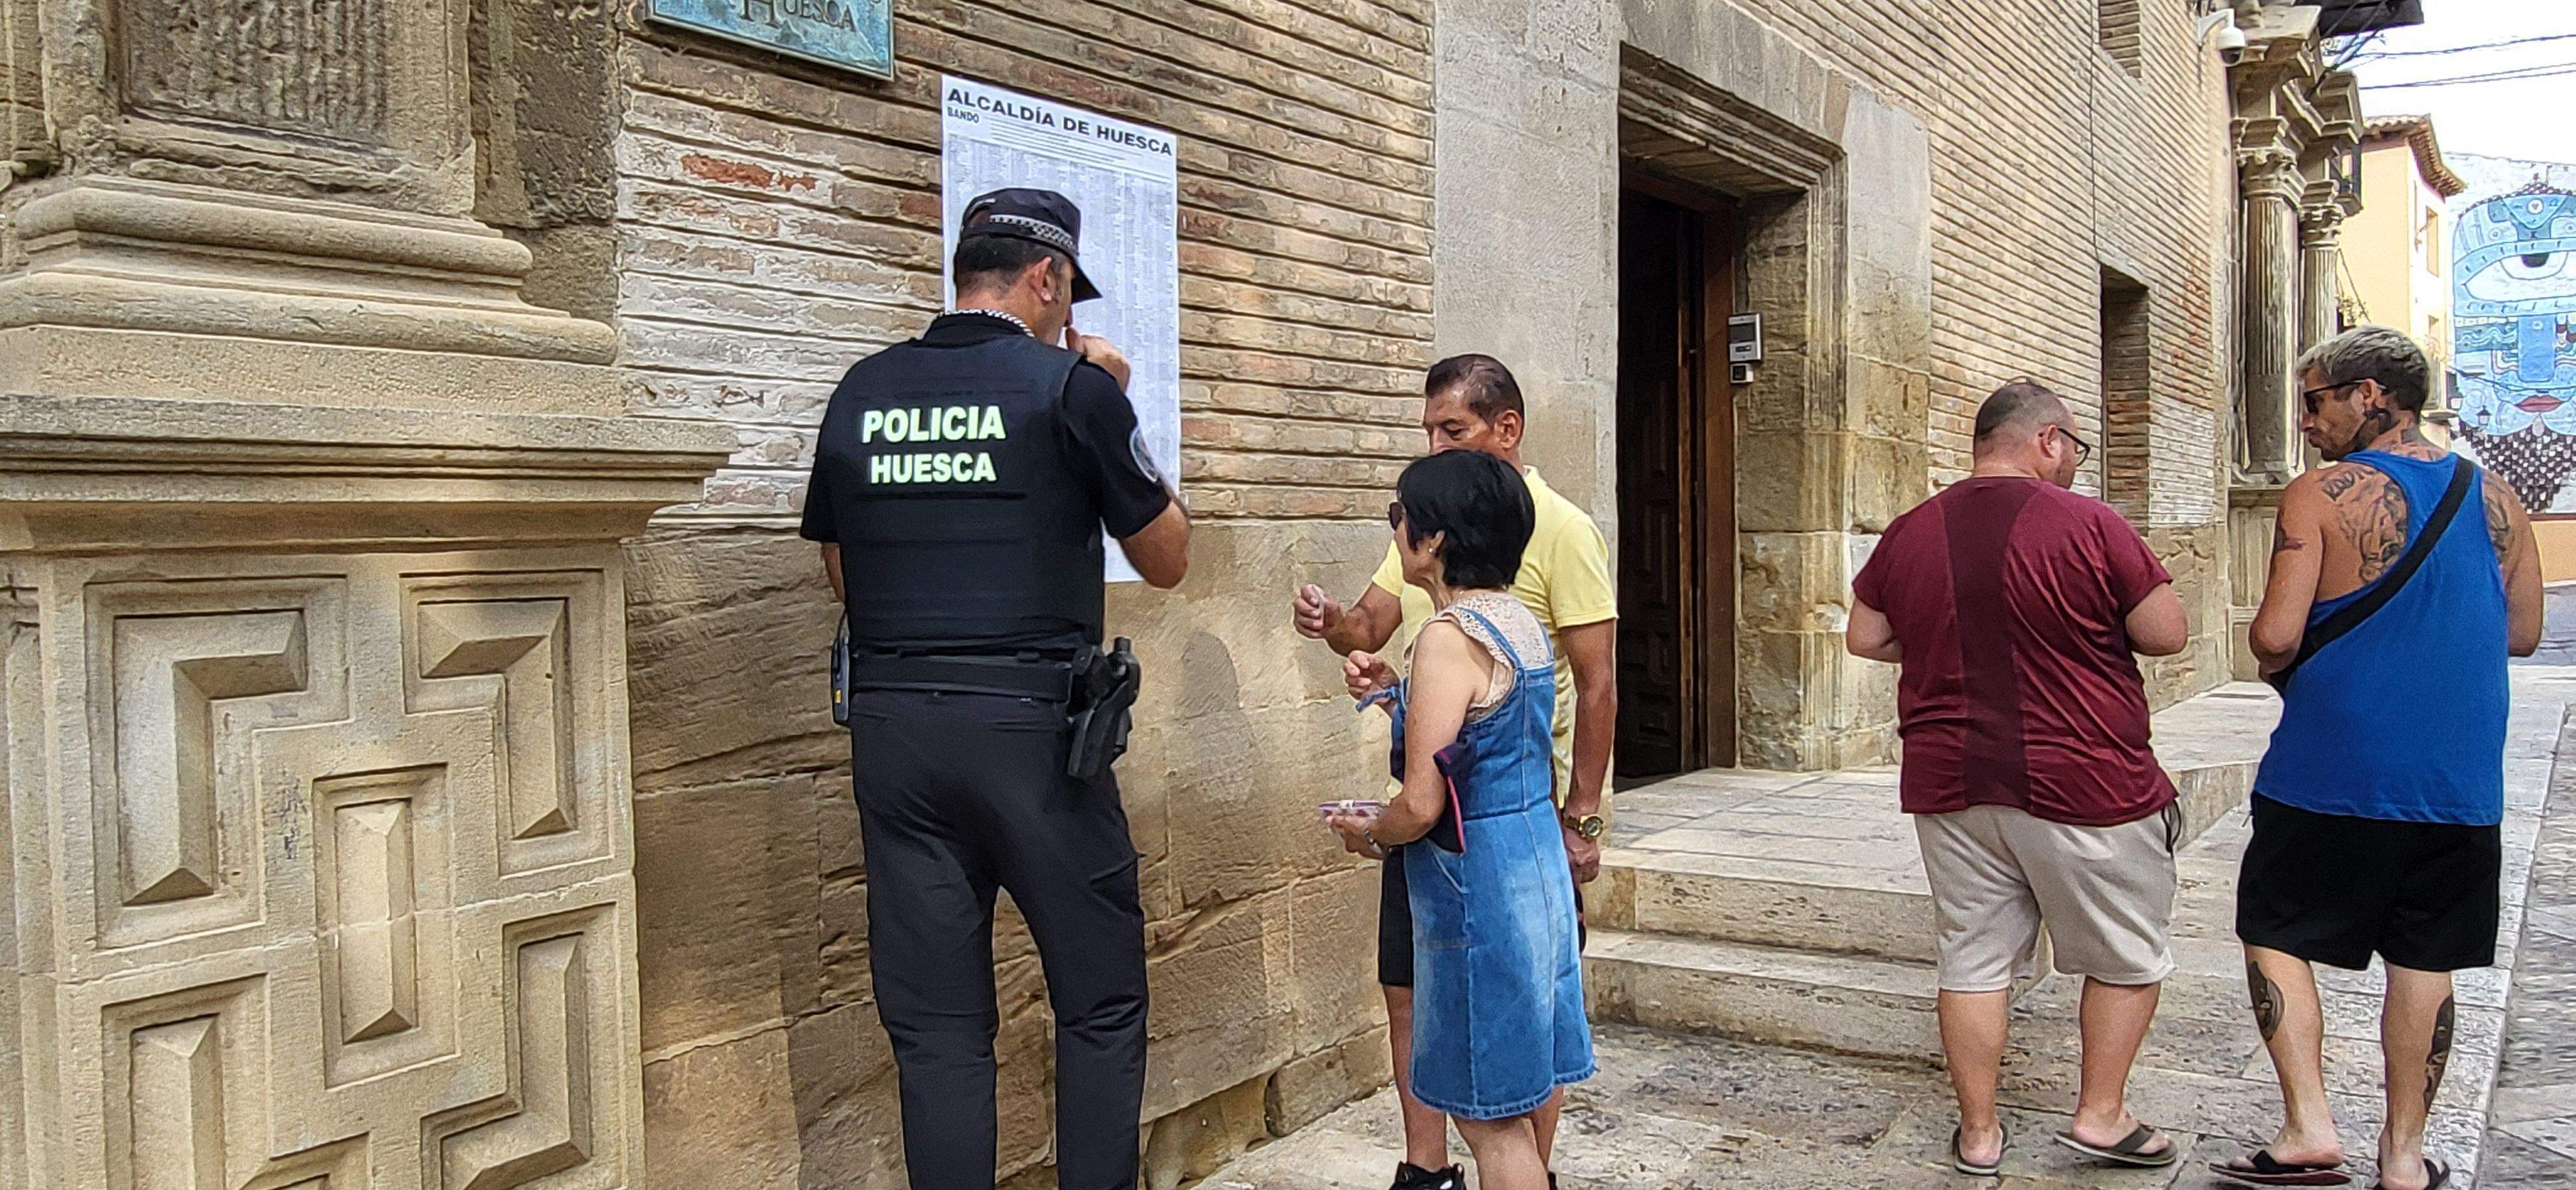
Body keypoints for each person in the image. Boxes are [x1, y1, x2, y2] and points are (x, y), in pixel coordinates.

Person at [800, 187, 1191, 1190]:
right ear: (1046, 279)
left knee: (937, 1034)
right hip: (1034, 743)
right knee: (1100, 1007)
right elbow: (1167, 557)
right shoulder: (1073, 389)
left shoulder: (861, 389)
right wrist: (1114, 397)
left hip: (894, 735)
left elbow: (846, 573)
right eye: (1067, 297)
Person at [2219, 326, 2541, 1190]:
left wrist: (2277, 637)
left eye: (2315, 400)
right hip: (2456, 783)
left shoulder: (2320, 494)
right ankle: (2402, 1158)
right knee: (2425, 958)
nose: (2305, 420)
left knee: (2274, 928)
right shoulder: (2499, 497)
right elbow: (2524, 632)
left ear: (2371, 395)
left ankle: (2309, 1126)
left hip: (2328, 767)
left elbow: (2277, 635)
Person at [1846, 380, 2192, 1178]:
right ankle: (2101, 1116)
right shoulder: (2090, 523)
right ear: (2046, 439)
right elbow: (2165, 633)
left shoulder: (1912, 529)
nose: (2075, 462)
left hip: (1951, 782)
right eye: (2075, 446)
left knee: (1971, 961)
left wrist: (1940, 644)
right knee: (2126, 956)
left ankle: (1978, 1135)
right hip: (2085, 780)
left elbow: (1867, 636)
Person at [1290, 354, 1616, 1190]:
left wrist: (1370, 831)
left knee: (1489, 1122)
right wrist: (1397, 695)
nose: (1397, 530)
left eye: (1403, 517)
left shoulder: (1447, 637)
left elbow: (1424, 801)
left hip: (1479, 892)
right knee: (1517, 1096)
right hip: (1532, 866)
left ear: (1433, 540)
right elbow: (1490, 733)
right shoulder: (1517, 624)